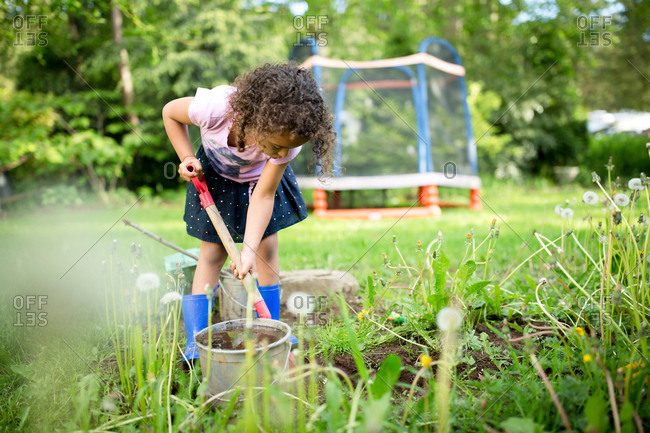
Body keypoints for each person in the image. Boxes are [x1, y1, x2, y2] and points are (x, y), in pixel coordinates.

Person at [162, 63, 335, 362]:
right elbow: (169, 112)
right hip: (214, 178)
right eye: (277, 146)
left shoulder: (286, 145)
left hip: (257, 182)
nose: (282, 155)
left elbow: (264, 195)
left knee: (267, 249)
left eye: (289, 150)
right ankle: (196, 341)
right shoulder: (215, 108)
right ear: (257, 119)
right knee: (212, 254)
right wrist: (187, 157)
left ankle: (269, 330)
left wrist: (249, 250)